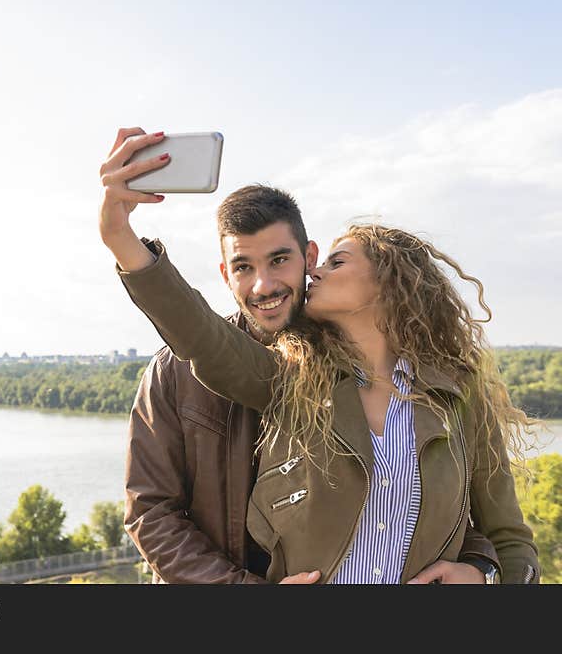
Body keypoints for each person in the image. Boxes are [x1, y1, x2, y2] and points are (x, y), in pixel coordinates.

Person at [102, 127, 508, 584]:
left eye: (280, 260)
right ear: (224, 273)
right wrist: (121, 238)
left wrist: (483, 573)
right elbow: (151, 515)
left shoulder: (439, 390)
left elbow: (474, 526)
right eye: (243, 267)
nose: (264, 286)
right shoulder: (187, 371)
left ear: (307, 256)